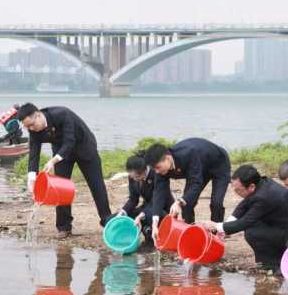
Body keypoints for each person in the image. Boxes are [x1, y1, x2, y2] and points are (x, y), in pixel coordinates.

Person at [17, 103, 112, 238]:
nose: (31, 129)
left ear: (38, 115)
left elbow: (70, 141)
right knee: (60, 188)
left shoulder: (62, 114)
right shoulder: (33, 130)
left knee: (96, 185)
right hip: (60, 152)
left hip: (84, 147)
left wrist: (53, 161)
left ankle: (107, 220)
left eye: (32, 125)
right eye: (27, 127)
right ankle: (64, 226)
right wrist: (31, 178)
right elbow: (34, 154)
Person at [199, 164, 288, 271]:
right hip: (278, 224)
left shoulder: (263, 197)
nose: (236, 193)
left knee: (252, 232)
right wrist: (225, 226)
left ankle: (272, 264)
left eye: (238, 190)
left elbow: (244, 222)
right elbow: (244, 205)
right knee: (255, 225)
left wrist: (216, 226)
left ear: (251, 187)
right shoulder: (262, 183)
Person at [144, 139, 231, 240]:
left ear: (167, 158)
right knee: (186, 204)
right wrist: (155, 224)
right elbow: (158, 193)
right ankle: (190, 235)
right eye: (154, 169)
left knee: (216, 202)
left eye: (158, 167)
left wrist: (178, 201)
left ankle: (216, 235)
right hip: (198, 169)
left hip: (218, 164)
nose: (157, 172)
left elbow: (196, 183)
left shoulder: (188, 154)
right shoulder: (160, 171)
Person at [118, 154, 174, 244]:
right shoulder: (132, 177)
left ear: (143, 171)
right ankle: (142, 233)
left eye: (136, 177)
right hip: (147, 206)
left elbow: (156, 200)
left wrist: (141, 215)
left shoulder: (156, 174)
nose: (134, 179)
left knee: (146, 215)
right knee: (124, 217)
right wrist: (123, 212)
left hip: (161, 208)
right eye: (132, 177)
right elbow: (133, 199)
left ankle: (153, 234)